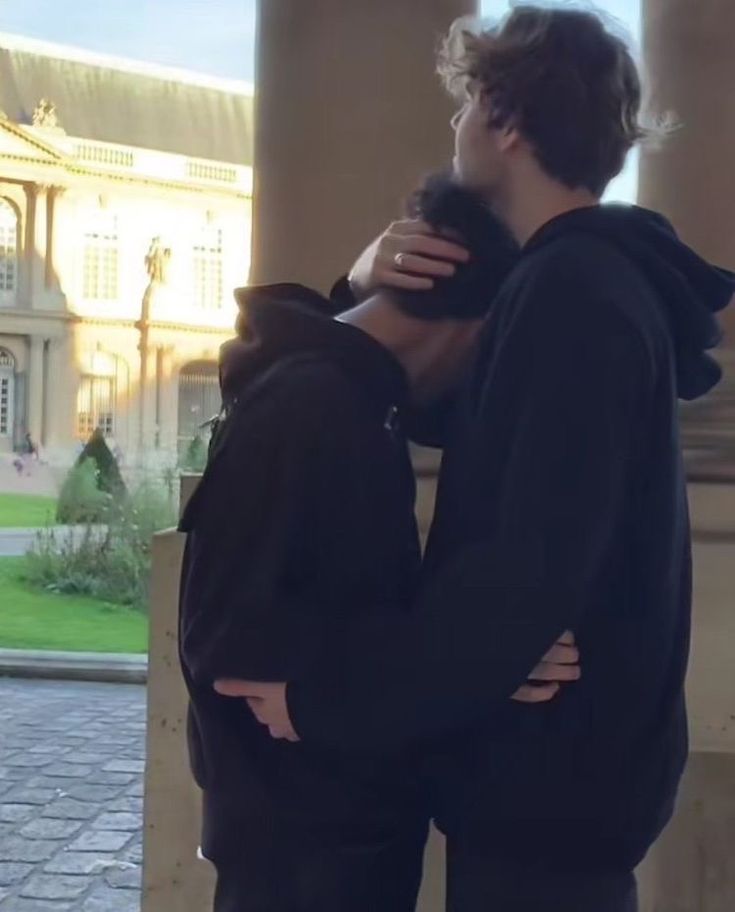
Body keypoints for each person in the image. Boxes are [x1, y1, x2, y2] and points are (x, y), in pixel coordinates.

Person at [220, 7, 733, 912]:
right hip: (559, 793)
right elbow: (396, 383)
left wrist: (320, 700)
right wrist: (360, 279)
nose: (453, 127)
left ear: (503, 117)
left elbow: (518, 575)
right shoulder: (590, 287)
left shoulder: (568, 293)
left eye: (464, 106)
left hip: (545, 797)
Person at [178, 175, 580, 912]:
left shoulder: (347, 396)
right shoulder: (310, 406)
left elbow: (342, 605)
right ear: (474, 322)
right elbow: (229, 639)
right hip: (304, 851)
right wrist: (465, 652)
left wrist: (478, 652)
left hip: (329, 836)